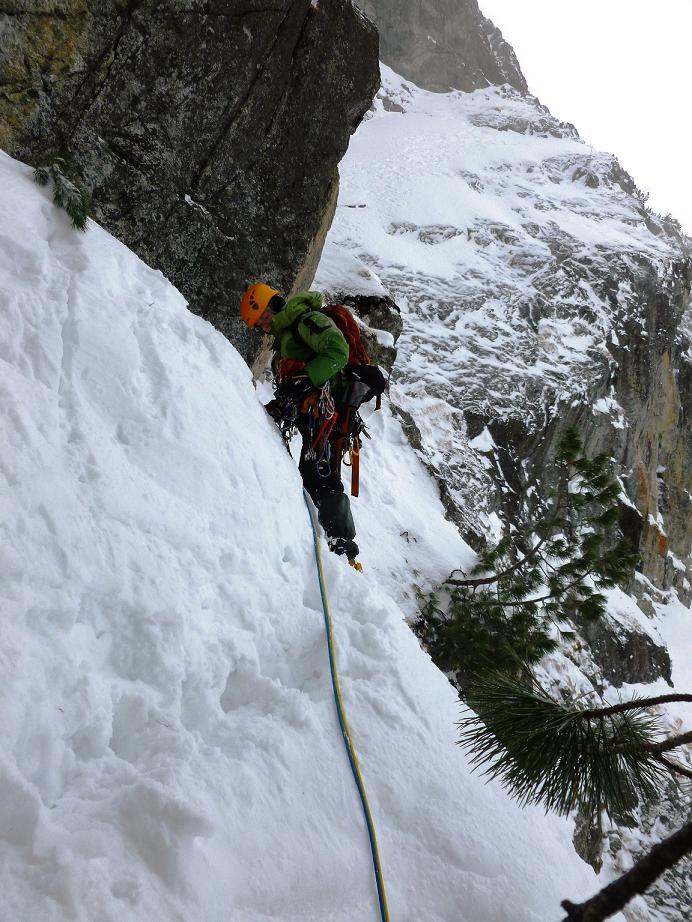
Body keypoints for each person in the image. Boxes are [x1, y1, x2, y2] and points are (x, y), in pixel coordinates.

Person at [240, 282, 384, 568]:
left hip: (327, 411)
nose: (266, 327)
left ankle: (342, 547)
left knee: (320, 474)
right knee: (315, 472)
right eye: (260, 325)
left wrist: (306, 379)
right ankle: (334, 544)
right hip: (317, 413)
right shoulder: (286, 338)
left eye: (266, 318)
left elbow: (337, 351)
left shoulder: (306, 320)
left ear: (276, 304)